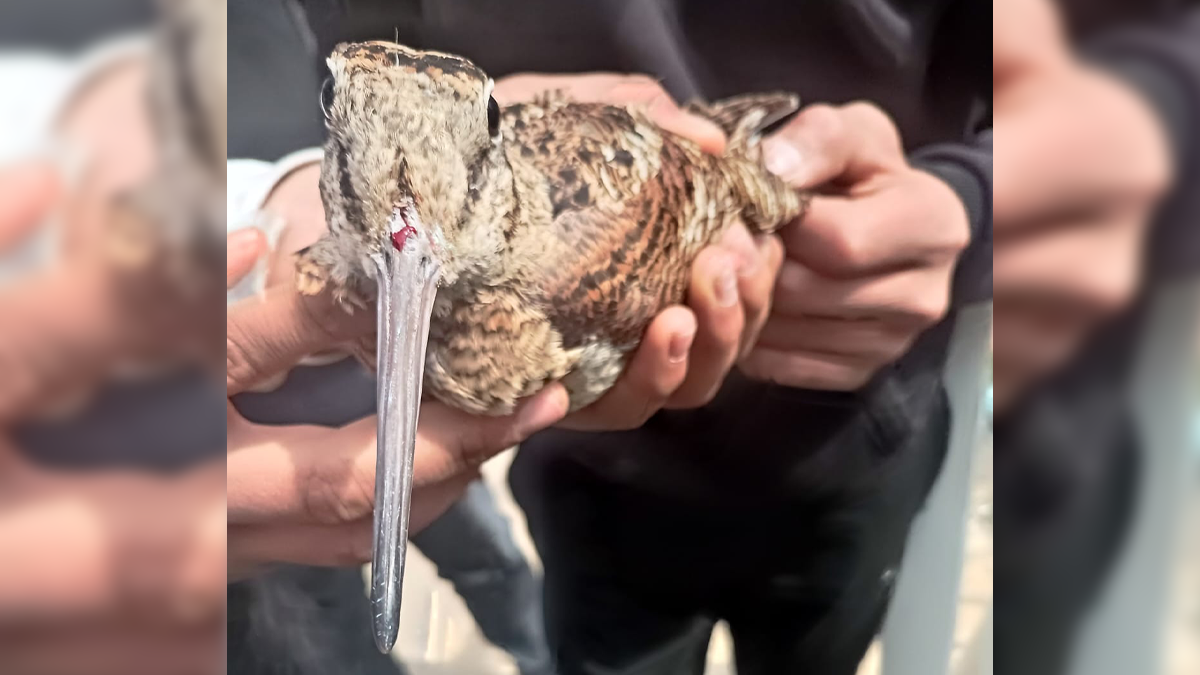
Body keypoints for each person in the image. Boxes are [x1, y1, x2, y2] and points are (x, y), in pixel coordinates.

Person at [222, 2, 1200, 675]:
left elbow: (1153, 53)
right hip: (593, 484)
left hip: (847, 442)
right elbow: (307, 40)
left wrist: (974, 199)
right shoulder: (408, 235)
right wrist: (280, 191)